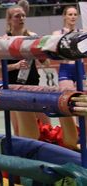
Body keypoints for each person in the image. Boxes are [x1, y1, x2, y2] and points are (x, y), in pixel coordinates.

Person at [0, 5, 50, 140]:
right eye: (17, 16)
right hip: (13, 89)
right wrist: (15, 66)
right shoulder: (4, 40)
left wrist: (41, 56)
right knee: (18, 130)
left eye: (23, 15)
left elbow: (46, 63)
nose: (21, 18)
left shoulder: (33, 36)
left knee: (45, 125)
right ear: (9, 20)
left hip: (33, 85)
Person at [50, 5, 82, 150]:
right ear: (64, 16)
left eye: (75, 14)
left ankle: (82, 134)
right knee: (68, 102)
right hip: (65, 69)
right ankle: (70, 134)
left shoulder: (82, 33)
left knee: (82, 101)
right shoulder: (58, 33)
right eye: (70, 14)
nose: (73, 17)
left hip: (79, 69)